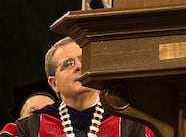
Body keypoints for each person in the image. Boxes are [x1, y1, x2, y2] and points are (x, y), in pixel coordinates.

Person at [10, 37, 154, 137]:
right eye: (68, 64)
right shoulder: (27, 129)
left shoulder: (132, 124)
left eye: (85, 60)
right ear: (54, 83)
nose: (79, 66)